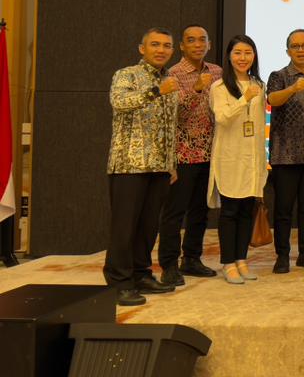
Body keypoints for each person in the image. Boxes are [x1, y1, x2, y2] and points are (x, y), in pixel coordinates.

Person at [105, 28, 180, 306]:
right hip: (129, 164)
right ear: (142, 48)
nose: (161, 50)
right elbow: (119, 102)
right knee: (125, 227)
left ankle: (141, 274)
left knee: (148, 227)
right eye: (155, 44)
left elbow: (170, 125)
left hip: (159, 166)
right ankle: (119, 282)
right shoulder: (127, 74)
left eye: (166, 46)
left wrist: (171, 163)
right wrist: (156, 91)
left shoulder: (170, 80)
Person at [157, 25, 221, 286]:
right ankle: (169, 265)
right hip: (182, 154)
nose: (197, 44)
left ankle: (192, 258)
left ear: (209, 44)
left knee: (200, 211)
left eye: (202, 40)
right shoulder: (172, 74)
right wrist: (196, 88)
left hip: (210, 152)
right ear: (182, 46)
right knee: (174, 213)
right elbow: (175, 113)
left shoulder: (217, 72)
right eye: (191, 40)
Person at [265, 29, 304, 273]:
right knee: (283, 209)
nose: (301, 50)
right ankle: (282, 256)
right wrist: (292, 88)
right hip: (285, 153)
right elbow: (273, 99)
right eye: (295, 46)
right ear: (288, 51)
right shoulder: (279, 75)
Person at [208, 35, 269, 285]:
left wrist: (263, 157)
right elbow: (222, 118)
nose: (243, 58)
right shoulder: (219, 87)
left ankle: (242, 259)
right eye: (238, 53)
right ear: (229, 56)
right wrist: (244, 99)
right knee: (230, 211)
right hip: (230, 157)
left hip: (252, 157)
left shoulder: (258, 84)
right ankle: (227, 262)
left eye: (248, 53)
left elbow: (259, 125)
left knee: (246, 211)